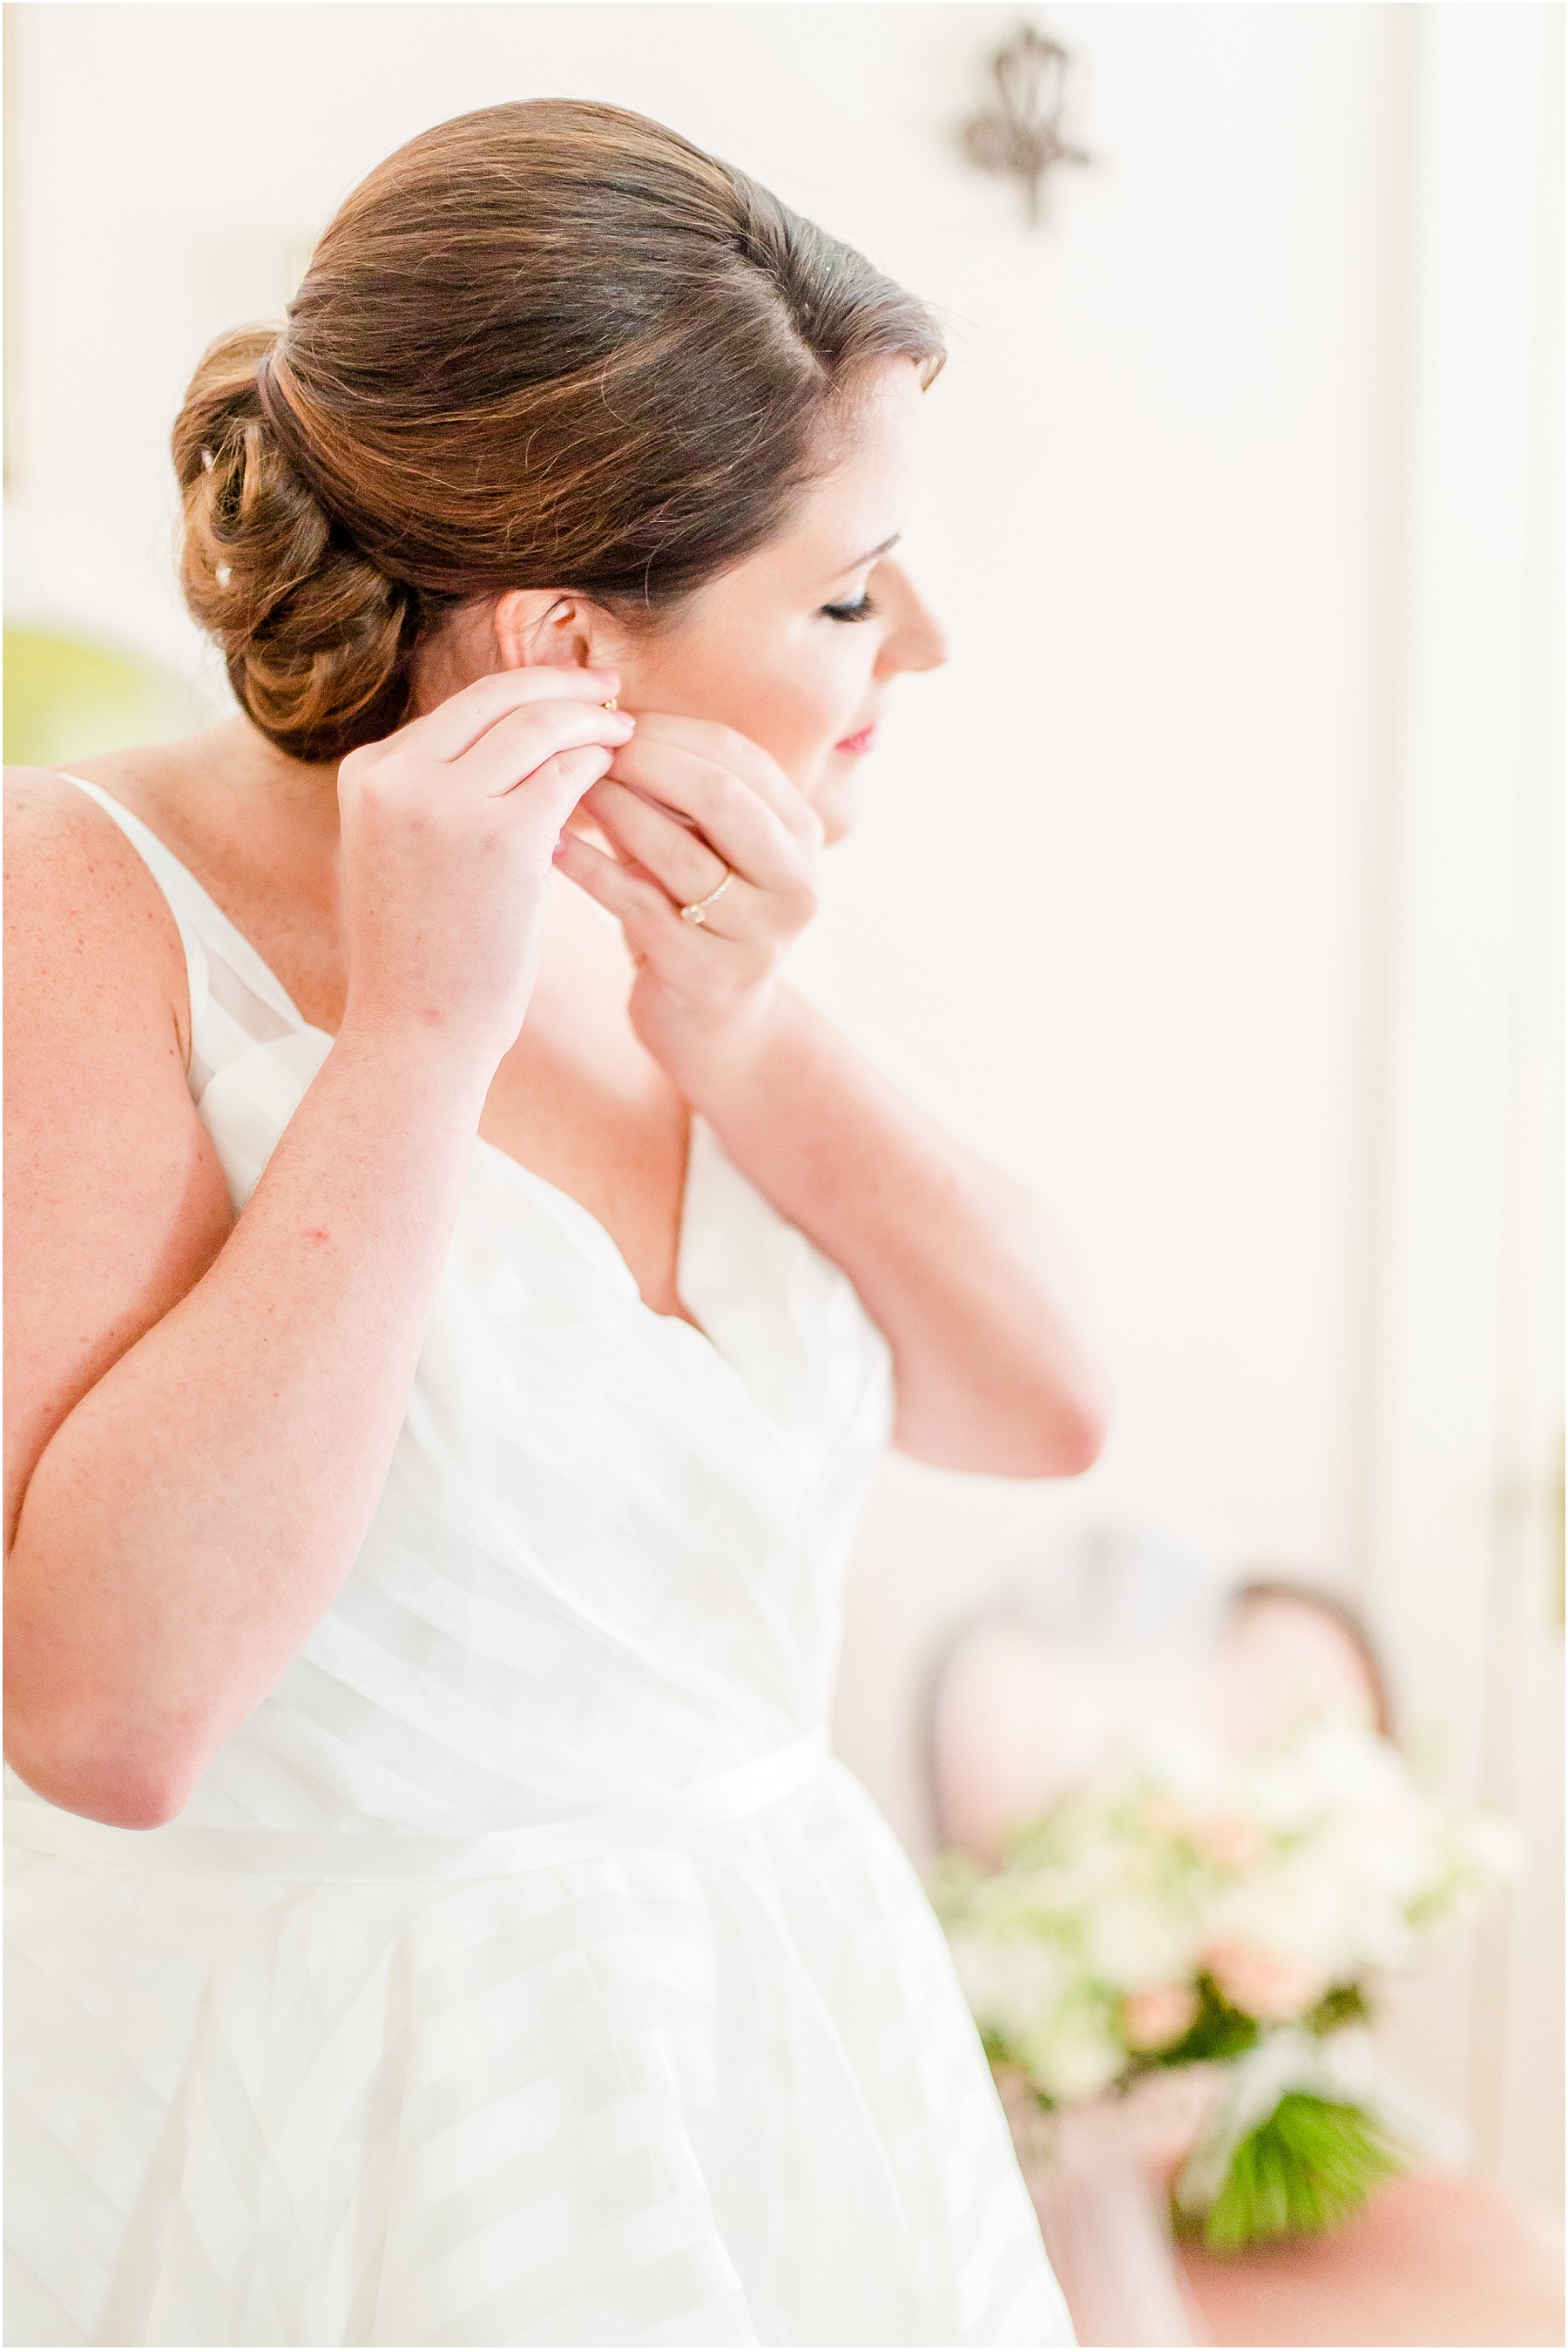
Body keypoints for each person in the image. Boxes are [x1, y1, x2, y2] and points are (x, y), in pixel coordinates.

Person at [3, 99, 1107, 2347]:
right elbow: (104, 1714)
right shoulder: (76, 898)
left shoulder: (666, 888)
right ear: (553, 644)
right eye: (841, 588)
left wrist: (748, 1026)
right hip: (362, 2122)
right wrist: (413, 1047)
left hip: (783, 2058)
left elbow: (1045, 1410)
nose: (923, 643)